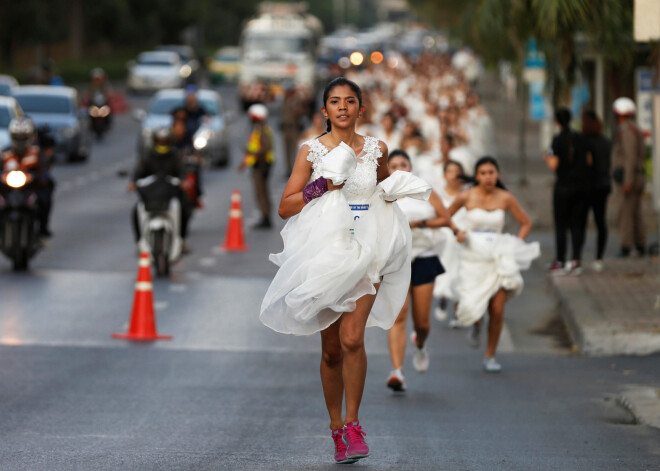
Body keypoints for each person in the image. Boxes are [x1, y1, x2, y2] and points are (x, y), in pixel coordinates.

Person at [260, 77, 430, 464]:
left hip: (366, 253)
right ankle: (336, 427)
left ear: (360, 109)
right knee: (332, 349)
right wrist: (322, 186)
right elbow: (286, 206)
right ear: (324, 111)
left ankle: (354, 424)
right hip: (323, 255)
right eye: (334, 102)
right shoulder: (311, 152)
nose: (342, 107)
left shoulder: (376, 150)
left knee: (354, 340)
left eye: (349, 101)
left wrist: (401, 191)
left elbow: (384, 189)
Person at [449, 157, 539, 372]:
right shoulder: (466, 196)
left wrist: (515, 244)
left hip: (498, 256)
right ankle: (476, 323)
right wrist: (457, 232)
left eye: (491, 172)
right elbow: (444, 215)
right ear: (477, 176)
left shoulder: (505, 197)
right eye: (483, 173)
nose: (488, 177)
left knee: (497, 309)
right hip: (472, 256)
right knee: (471, 306)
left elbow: (525, 222)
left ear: (497, 174)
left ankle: (490, 355)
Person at [385, 150, 455, 392]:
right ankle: (397, 372)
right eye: (393, 165)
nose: (398, 168)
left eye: (403, 164)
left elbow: (446, 219)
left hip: (424, 257)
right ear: (387, 170)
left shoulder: (424, 190)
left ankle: (421, 343)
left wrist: (419, 223)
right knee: (398, 316)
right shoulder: (382, 193)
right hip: (395, 261)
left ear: (410, 166)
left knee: (422, 322)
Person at [128, 126, 192, 252]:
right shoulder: (148, 156)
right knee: (136, 212)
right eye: (160, 141)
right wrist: (133, 182)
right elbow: (138, 172)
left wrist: (183, 182)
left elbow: (182, 171)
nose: (162, 144)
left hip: (170, 195)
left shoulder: (175, 156)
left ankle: (182, 240)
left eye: (165, 141)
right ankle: (139, 241)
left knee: (184, 210)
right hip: (152, 196)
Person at [543, 107, 589, 275]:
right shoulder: (580, 138)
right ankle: (576, 260)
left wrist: (547, 157)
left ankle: (561, 261)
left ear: (557, 122)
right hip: (581, 188)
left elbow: (553, 164)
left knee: (561, 226)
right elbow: (588, 161)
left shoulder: (557, 139)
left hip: (562, 188)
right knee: (578, 225)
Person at [1, 118, 51, 237]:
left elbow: (44, 169)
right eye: (17, 137)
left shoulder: (36, 152)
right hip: (9, 190)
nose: (20, 141)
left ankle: (42, 228)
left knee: (44, 199)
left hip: (29, 188)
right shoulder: (5, 153)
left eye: (23, 138)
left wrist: (41, 177)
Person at [611, 97, 646, 257]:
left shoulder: (626, 131)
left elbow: (630, 157)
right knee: (636, 212)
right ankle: (640, 244)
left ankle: (626, 245)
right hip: (637, 176)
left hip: (629, 177)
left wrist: (627, 181)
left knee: (625, 213)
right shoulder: (635, 129)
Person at [433, 160, 467, 325]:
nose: (454, 175)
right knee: (444, 272)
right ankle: (443, 297)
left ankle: (457, 310)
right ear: (444, 175)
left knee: (461, 274)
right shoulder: (437, 195)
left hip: (462, 239)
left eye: (457, 171)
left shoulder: (468, 195)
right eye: (450, 171)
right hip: (443, 241)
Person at [582, 110, 611, 271]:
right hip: (603, 185)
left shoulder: (583, 141)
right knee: (601, 221)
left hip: (587, 186)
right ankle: (599, 257)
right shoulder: (605, 141)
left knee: (581, 221)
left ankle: (577, 257)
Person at [239, 103, 274, 229]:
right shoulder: (260, 129)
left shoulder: (261, 130)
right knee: (261, 191)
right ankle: (265, 215)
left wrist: (251, 152)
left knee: (261, 191)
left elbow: (265, 148)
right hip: (260, 164)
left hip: (261, 165)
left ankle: (266, 216)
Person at [280, 83, 306, 175]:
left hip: (294, 127)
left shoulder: (296, 100)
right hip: (286, 127)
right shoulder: (285, 100)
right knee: (286, 150)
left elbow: (301, 112)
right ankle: (288, 169)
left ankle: (296, 170)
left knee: (296, 150)